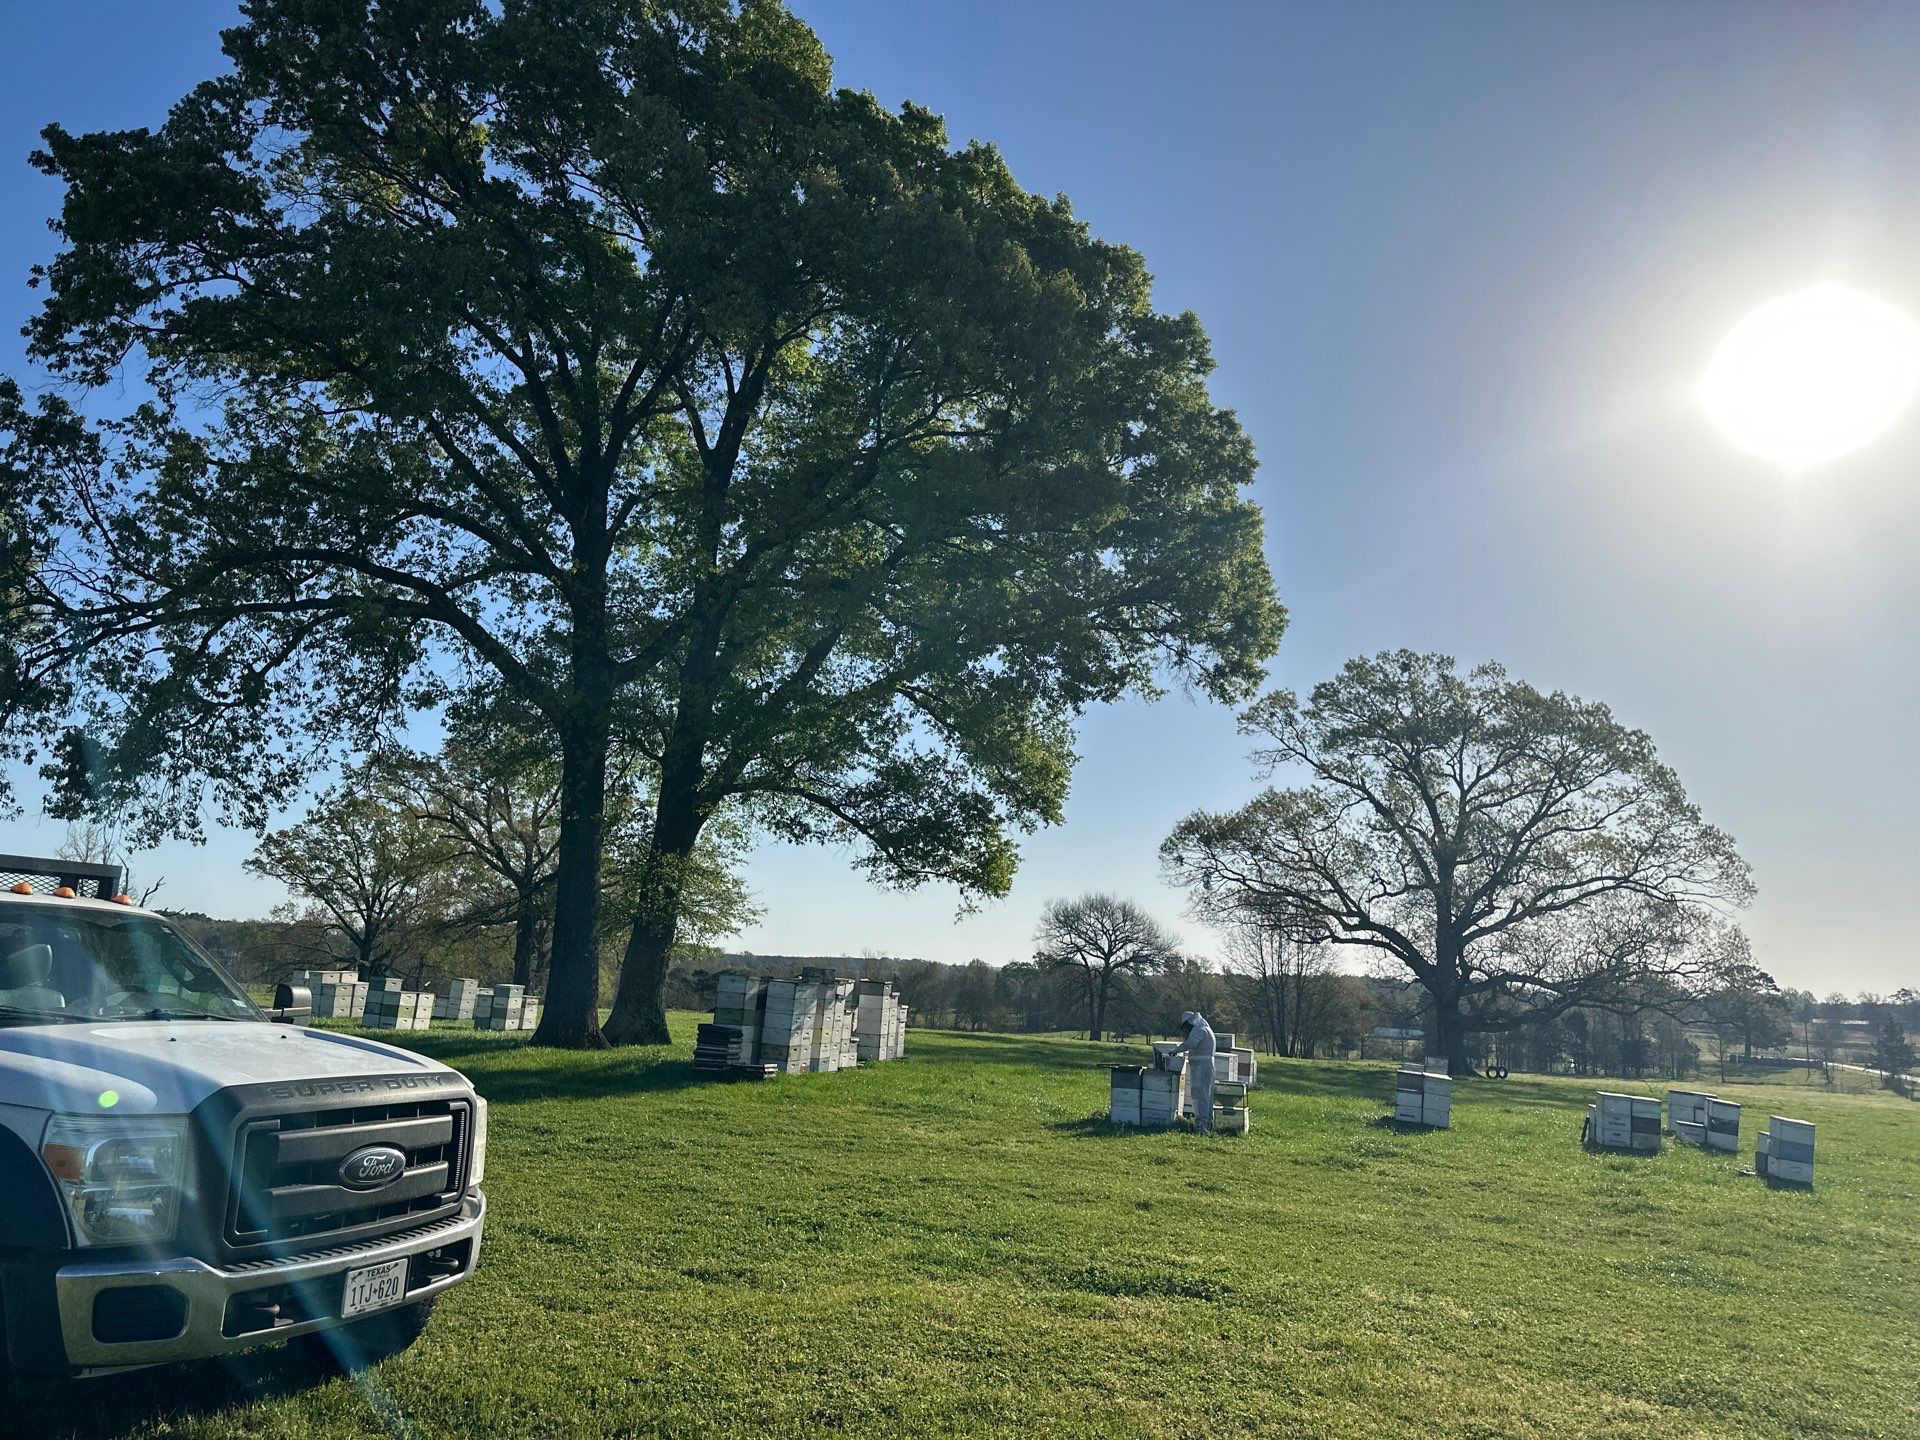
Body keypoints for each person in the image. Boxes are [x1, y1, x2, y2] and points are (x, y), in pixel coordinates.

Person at [1175, 1010, 1217, 1133]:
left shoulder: (1199, 1029)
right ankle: (1206, 1124)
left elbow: (1191, 1043)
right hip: (1204, 1066)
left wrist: (1176, 1050)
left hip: (1201, 1067)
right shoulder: (1203, 1027)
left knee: (1200, 1095)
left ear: (1190, 1023)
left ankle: (1201, 1126)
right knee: (1205, 1095)